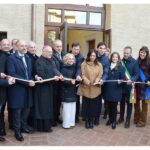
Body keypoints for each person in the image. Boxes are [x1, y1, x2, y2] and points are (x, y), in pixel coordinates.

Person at [6, 40, 35, 141]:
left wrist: (32, 79)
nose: (24, 47)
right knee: (17, 111)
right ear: (16, 47)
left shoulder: (28, 58)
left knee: (26, 109)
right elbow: (12, 74)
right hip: (16, 89)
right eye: (22, 46)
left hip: (27, 89)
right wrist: (28, 82)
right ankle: (17, 132)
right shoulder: (11, 58)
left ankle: (23, 127)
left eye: (25, 46)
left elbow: (29, 73)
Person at [32, 45, 63, 132]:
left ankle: (47, 125)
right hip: (42, 89)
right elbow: (42, 74)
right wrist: (54, 77)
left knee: (48, 107)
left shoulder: (51, 60)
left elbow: (55, 70)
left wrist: (59, 75)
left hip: (49, 87)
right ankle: (42, 127)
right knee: (43, 108)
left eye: (51, 52)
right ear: (43, 52)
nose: (50, 53)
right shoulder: (39, 61)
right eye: (49, 52)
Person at [77, 50, 103, 129]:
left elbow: (100, 73)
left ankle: (91, 120)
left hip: (95, 88)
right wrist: (87, 81)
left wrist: (97, 80)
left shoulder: (99, 64)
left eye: (94, 56)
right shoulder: (84, 64)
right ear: (88, 56)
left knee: (93, 106)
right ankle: (87, 121)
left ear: (96, 57)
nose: (92, 57)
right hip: (86, 87)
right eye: (91, 55)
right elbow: (82, 74)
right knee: (86, 105)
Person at [117, 46, 139, 128]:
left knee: (129, 104)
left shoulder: (134, 62)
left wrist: (132, 79)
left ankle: (127, 120)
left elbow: (137, 74)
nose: (125, 54)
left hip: (130, 88)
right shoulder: (121, 61)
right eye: (124, 53)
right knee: (122, 103)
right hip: (122, 87)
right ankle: (121, 118)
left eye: (127, 53)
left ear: (130, 53)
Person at [104, 52, 125, 129]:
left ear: (118, 58)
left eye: (116, 57)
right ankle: (110, 119)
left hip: (116, 90)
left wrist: (121, 81)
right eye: (113, 57)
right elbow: (104, 75)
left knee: (114, 106)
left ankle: (114, 121)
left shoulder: (121, 67)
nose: (114, 58)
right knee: (108, 106)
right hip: (108, 89)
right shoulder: (108, 66)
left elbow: (123, 78)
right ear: (111, 58)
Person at [134, 46, 150, 127]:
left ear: (146, 54)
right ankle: (136, 118)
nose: (142, 54)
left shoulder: (149, 62)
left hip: (146, 86)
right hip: (137, 85)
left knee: (144, 104)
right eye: (141, 52)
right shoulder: (137, 61)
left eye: (144, 53)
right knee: (136, 103)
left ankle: (143, 121)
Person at [52, 39, 66, 126]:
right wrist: (60, 75)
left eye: (60, 46)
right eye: (57, 46)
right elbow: (53, 68)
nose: (59, 48)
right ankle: (53, 118)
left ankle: (57, 117)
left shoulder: (64, 54)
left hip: (63, 83)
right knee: (54, 101)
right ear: (53, 47)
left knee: (59, 101)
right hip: (55, 82)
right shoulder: (51, 55)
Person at [61, 53, 76, 129]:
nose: (71, 60)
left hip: (72, 90)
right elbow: (63, 81)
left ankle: (71, 122)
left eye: (72, 59)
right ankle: (66, 124)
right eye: (69, 59)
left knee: (72, 107)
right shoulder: (63, 68)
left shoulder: (73, 68)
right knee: (67, 109)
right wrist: (70, 82)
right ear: (66, 60)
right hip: (66, 91)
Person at [0, 39, 12, 135]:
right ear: (0, 46)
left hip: (7, 89)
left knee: (3, 110)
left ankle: (2, 129)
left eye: (8, 44)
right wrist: (8, 82)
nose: (6, 46)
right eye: (4, 44)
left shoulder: (9, 55)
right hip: (2, 88)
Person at [71, 42, 84, 123]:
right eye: (75, 49)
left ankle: (76, 117)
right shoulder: (67, 54)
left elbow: (79, 68)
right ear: (72, 49)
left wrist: (78, 75)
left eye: (78, 49)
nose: (76, 51)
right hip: (67, 80)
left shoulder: (81, 57)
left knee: (77, 100)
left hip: (76, 81)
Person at [26, 41, 39, 126]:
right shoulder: (26, 57)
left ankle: (33, 122)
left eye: (34, 47)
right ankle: (28, 122)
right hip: (28, 84)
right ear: (27, 48)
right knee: (28, 105)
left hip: (36, 84)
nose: (33, 49)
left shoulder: (37, 57)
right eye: (31, 47)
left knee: (34, 104)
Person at [96, 42, 109, 124]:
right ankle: (92, 115)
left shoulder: (106, 59)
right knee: (94, 100)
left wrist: (102, 80)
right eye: (101, 48)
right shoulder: (94, 56)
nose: (102, 50)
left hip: (102, 83)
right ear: (97, 48)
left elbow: (106, 72)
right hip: (93, 82)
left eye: (104, 48)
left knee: (101, 100)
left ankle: (99, 117)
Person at [0, 74, 15, 142]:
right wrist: (7, 82)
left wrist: (6, 77)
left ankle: (1, 131)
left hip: (2, 95)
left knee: (1, 114)